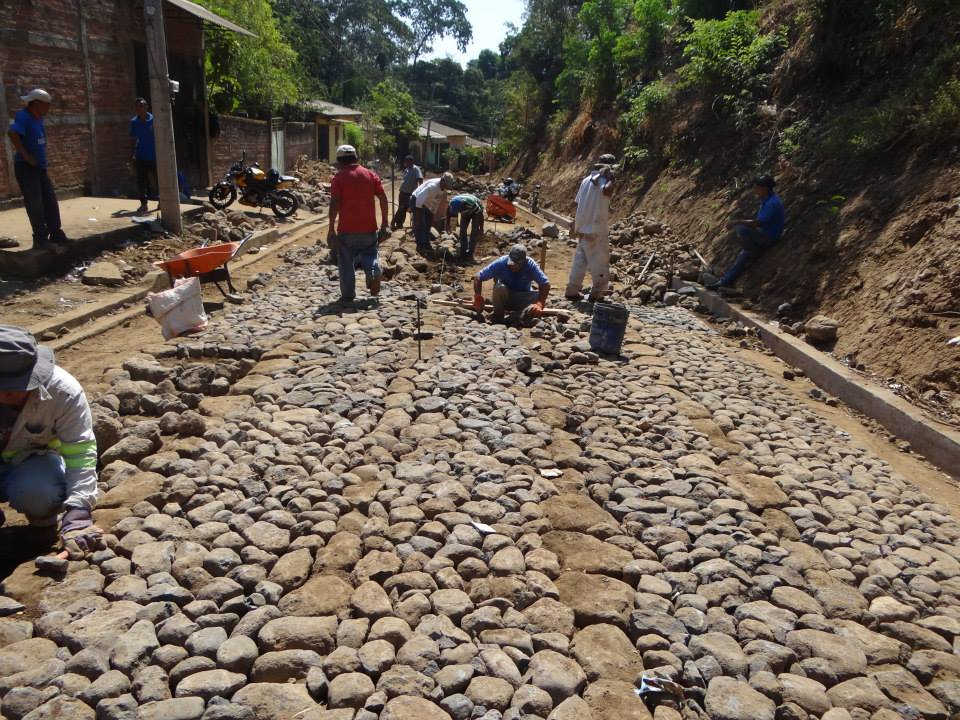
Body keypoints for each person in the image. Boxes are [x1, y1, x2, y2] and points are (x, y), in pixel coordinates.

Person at [0, 325, 102, 558]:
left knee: (39, 494)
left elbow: (81, 450)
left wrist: (79, 510)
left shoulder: (63, 392)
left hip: (31, 461)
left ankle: (42, 525)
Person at [327, 145, 389, 303]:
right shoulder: (370, 174)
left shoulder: (338, 178)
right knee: (370, 253)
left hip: (346, 229)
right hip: (369, 228)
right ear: (356, 158)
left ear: (340, 161)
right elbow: (382, 197)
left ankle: (348, 294)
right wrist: (385, 223)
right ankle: (374, 272)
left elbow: (334, 203)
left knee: (346, 261)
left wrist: (331, 229)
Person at [7, 89, 69, 247]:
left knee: (50, 201)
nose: (48, 109)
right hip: (26, 168)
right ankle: (40, 239)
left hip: (39, 168)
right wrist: (26, 156)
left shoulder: (38, 118)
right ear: (36, 104)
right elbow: (13, 133)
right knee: (35, 204)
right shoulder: (23, 116)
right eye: (46, 105)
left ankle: (56, 234)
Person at [710, 175, 785, 289]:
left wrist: (737, 222)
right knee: (742, 257)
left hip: (770, 237)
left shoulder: (772, 203)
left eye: (757, 187)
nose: (755, 190)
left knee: (741, 229)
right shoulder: (767, 200)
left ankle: (754, 251)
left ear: (765, 188)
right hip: (763, 233)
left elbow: (758, 223)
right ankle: (724, 282)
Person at [565, 153, 615, 302]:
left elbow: (579, 203)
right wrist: (612, 178)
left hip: (583, 228)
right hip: (596, 229)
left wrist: (576, 225)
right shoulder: (605, 181)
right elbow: (607, 191)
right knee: (599, 262)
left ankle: (572, 290)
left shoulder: (586, 180)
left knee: (580, 262)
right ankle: (598, 294)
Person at [473, 244, 551, 323]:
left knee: (540, 297)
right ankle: (498, 316)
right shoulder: (501, 262)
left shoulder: (530, 265)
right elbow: (478, 277)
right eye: (511, 264)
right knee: (499, 287)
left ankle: (516, 317)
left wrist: (540, 303)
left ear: (524, 261)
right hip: (505, 298)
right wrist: (478, 296)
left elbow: (545, 284)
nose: (513, 267)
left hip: (522, 297)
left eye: (517, 265)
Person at [410, 172, 455, 256]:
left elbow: (437, 202)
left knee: (428, 224)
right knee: (420, 223)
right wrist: (418, 213)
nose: (446, 188)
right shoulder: (432, 187)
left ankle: (426, 244)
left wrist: (433, 213)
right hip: (416, 200)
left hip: (426, 203)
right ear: (443, 180)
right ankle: (420, 246)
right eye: (446, 185)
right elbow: (419, 199)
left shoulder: (443, 189)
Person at [130, 97, 157, 214]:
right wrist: (132, 154)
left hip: (155, 156)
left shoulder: (154, 120)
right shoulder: (134, 122)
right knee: (141, 181)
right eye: (137, 106)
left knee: (157, 180)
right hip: (140, 156)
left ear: (147, 107)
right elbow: (132, 139)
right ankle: (143, 204)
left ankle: (162, 200)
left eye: (142, 106)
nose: (140, 109)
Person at [446, 193, 484, 262]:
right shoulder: (452, 202)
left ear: (462, 207)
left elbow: (480, 215)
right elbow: (449, 213)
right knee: (462, 230)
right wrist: (448, 224)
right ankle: (463, 251)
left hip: (476, 212)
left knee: (474, 231)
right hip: (465, 210)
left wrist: (481, 228)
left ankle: (470, 253)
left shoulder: (472, 205)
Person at [391, 155, 423, 229]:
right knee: (402, 208)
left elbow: (420, 180)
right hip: (402, 192)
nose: (406, 163)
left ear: (411, 162)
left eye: (408, 162)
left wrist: (420, 191)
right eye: (406, 162)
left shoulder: (416, 169)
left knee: (404, 209)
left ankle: (395, 221)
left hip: (410, 194)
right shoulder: (406, 169)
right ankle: (398, 223)